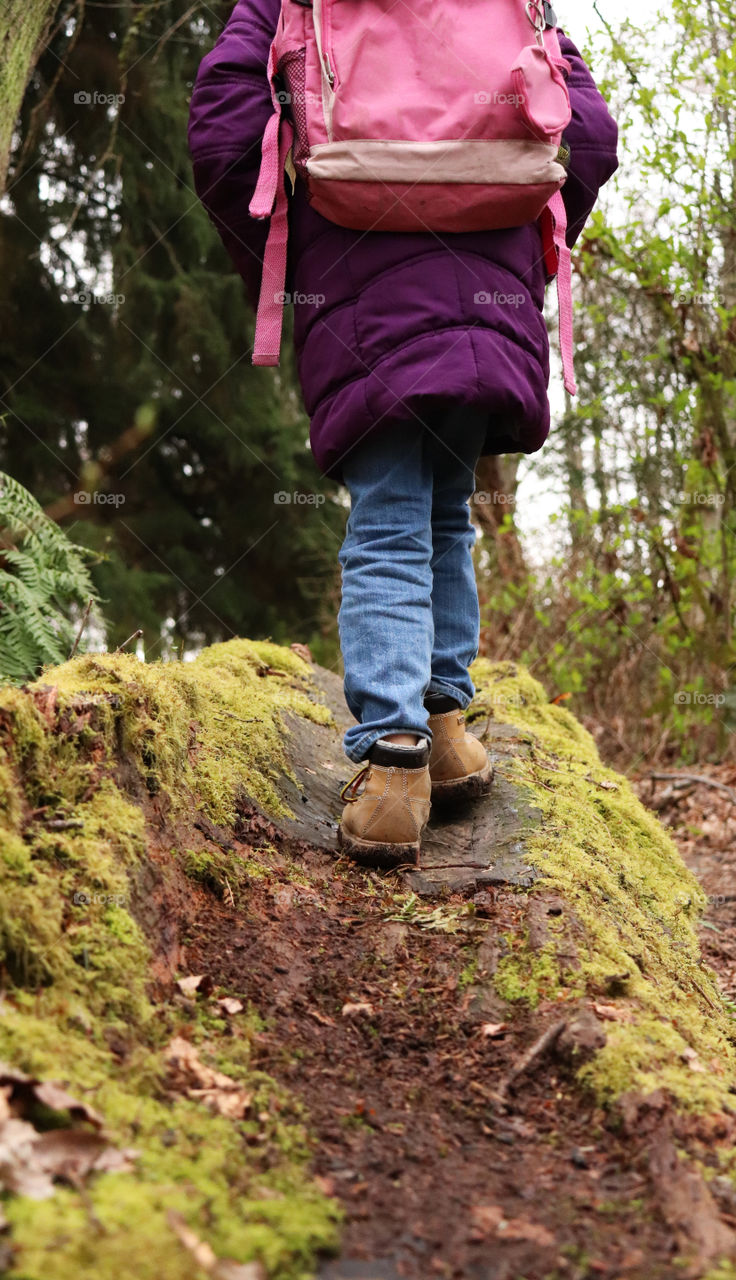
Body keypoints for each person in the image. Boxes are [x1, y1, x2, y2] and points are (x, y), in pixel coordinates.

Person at [188, 0, 618, 869]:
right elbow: (594, 134)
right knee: (446, 508)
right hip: (487, 282)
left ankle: (392, 768)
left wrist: (276, 246)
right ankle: (448, 732)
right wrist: (520, 222)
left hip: (355, 273)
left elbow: (224, 129)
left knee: (386, 517)